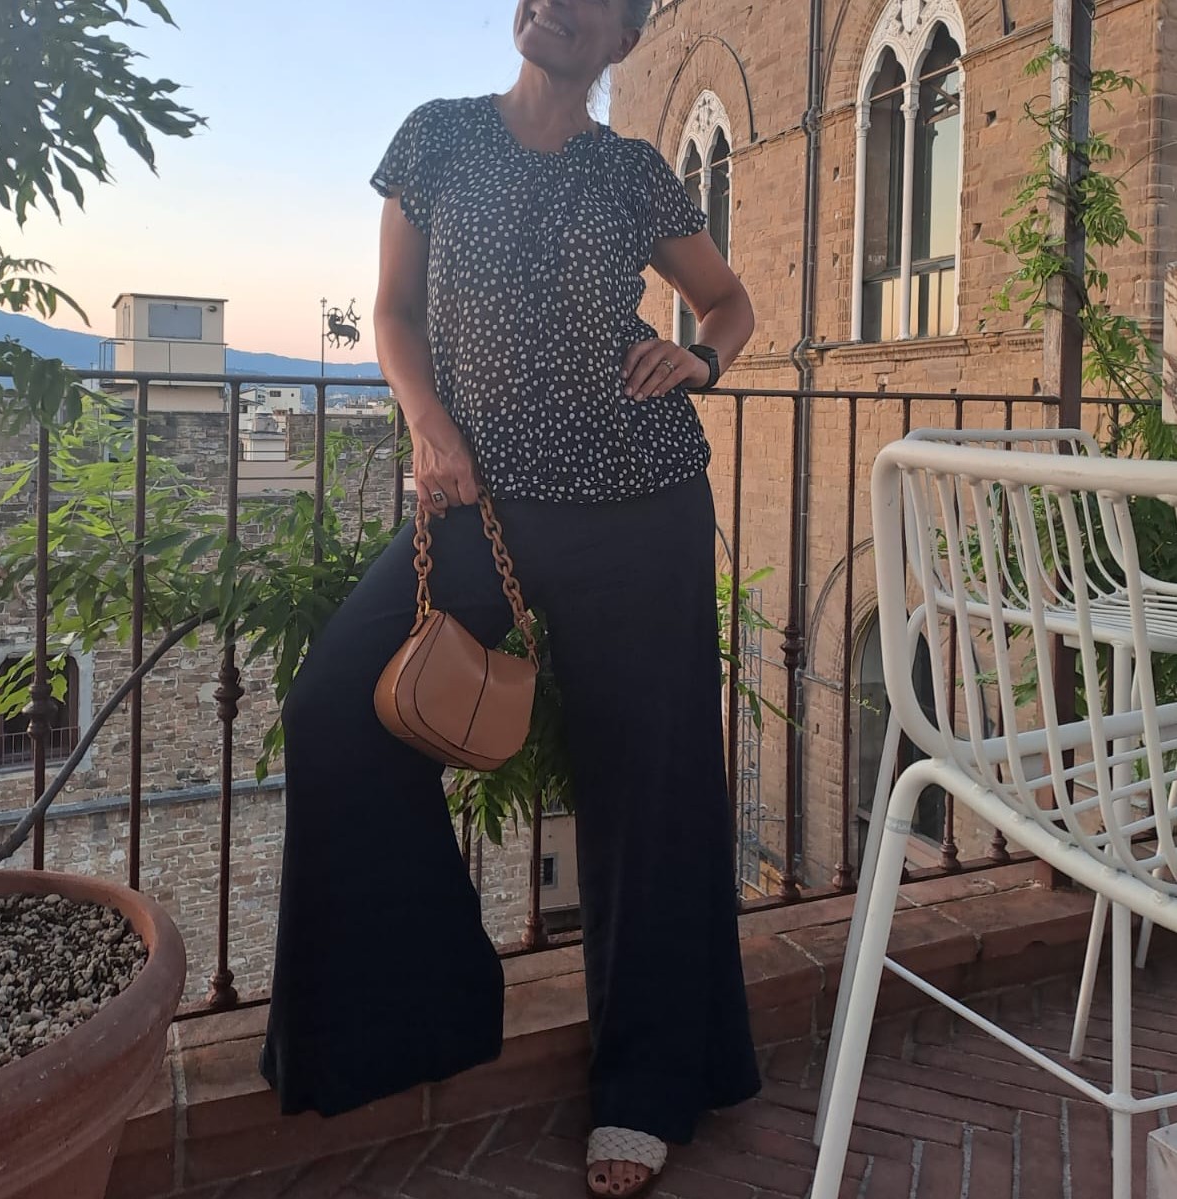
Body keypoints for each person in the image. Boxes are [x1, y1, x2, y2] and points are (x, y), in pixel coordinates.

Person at [259, 0, 761, 1194]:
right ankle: (419, 1010)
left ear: (620, 43)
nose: (556, 5)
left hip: (639, 502)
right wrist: (429, 428)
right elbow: (393, 313)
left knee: (649, 784)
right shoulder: (434, 136)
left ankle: (645, 1091)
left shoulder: (633, 172)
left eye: (590, 1)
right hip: (477, 504)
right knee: (334, 712)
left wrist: (702, 356)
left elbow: (727, 302)